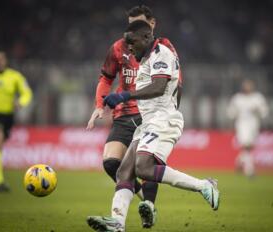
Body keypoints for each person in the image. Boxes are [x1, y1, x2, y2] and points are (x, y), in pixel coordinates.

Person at [86, 20, 220, 232]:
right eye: (127, 44)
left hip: (163, 120)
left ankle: (204, 185)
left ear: (147, 38)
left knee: (143, 168)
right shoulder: (146, 59)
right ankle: (117, 223)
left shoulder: (161, 53)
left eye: (133, 43)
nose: (129, 48)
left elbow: (158, 87)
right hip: (149, 122)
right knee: (124, 171)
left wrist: (124, 95)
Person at [86, 5, 181, 228]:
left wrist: (171, 111)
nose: (133, 29)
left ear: (152, 24)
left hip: (151, 114)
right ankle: (145, 203)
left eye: (138, 23)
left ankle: (147, 207)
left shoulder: (164, 48)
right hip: (124, 113)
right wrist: (100, 104)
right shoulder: (119, 48)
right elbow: (106, 78)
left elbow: (176, 80)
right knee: (111, 163)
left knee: (145, 166)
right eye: (129, 24)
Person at [0, 51, 33, 192]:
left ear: (5, 61)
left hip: (8, 116)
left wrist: (21, 102)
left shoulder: (15, 76)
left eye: (1, 59)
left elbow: (27, 92)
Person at [227, 79, 268, 177]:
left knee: (249, 147)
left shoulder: (258, 98)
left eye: (249, 86)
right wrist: (234, 114)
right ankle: (249, 171)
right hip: (242, 125)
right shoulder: (237, 98)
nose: (247, 88)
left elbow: (264, 112)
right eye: (246, 86)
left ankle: (239, 162)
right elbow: (230, 113)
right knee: (247, 146)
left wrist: (258, 110)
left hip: (254, 126)